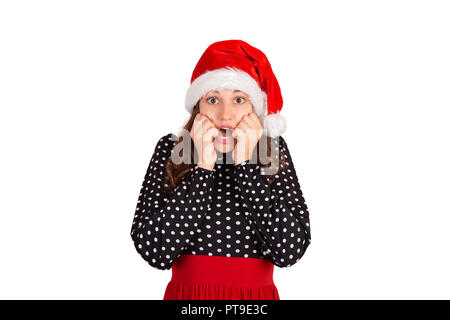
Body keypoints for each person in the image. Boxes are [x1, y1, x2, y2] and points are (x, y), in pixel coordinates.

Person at [130, 39, 311, 300]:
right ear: (198, 108)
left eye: (239, 99)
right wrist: (202, 168)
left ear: (254, 110)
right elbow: (155, 252)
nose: (226, 115)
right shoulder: (171, 150)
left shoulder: (271, 151)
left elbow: (289, 251)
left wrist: (247, 165)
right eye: (213, 99)